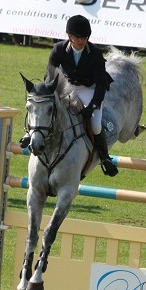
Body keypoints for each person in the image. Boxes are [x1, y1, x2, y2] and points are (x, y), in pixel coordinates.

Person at [45, 15, 117, 177]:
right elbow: (49, 76)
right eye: (78, 37)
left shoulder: (96, 53)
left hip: (90, 88)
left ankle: (105, 158)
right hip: (68, 85)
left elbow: (100, 85)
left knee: (96, 125)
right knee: (46, 109)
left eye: (85, 37)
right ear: (69, 36)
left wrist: (91, 106)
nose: (82, 40)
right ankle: (32, 136)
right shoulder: (58, 49)